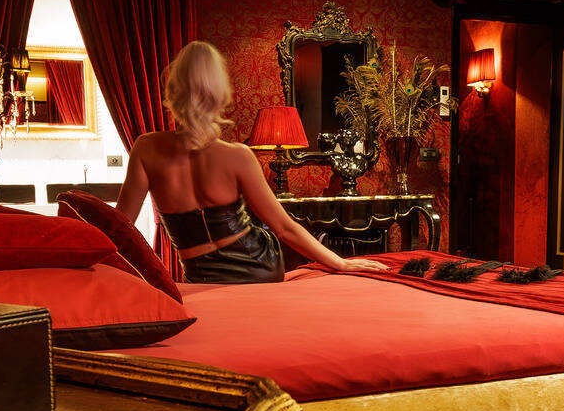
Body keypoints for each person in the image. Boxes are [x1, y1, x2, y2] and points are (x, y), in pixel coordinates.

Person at [115, 41, 388, 284]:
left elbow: (119, 227)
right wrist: (340, 262)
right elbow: (284, 228)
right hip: (257, 266)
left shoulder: (146, 148)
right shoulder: (238, 155)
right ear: (219, 94)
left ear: (173, 90)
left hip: (200, 275)